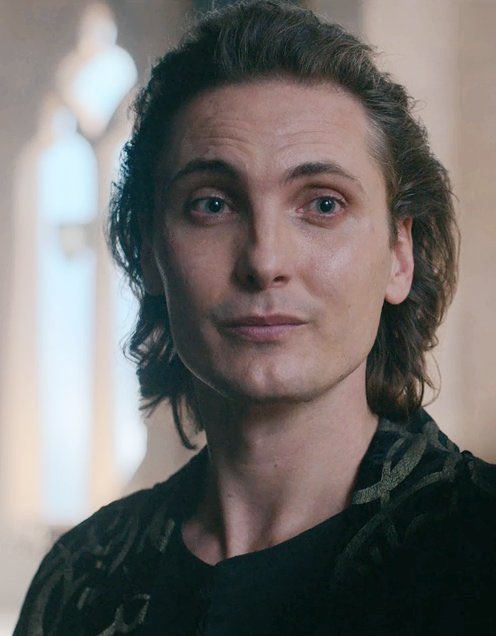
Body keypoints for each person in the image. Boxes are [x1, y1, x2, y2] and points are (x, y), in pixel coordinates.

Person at [15, 1, 496, 634]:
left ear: (399, 255)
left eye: (323, 204)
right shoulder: (81, 580)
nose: (265, 261)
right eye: (212, 205)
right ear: (149, 252)